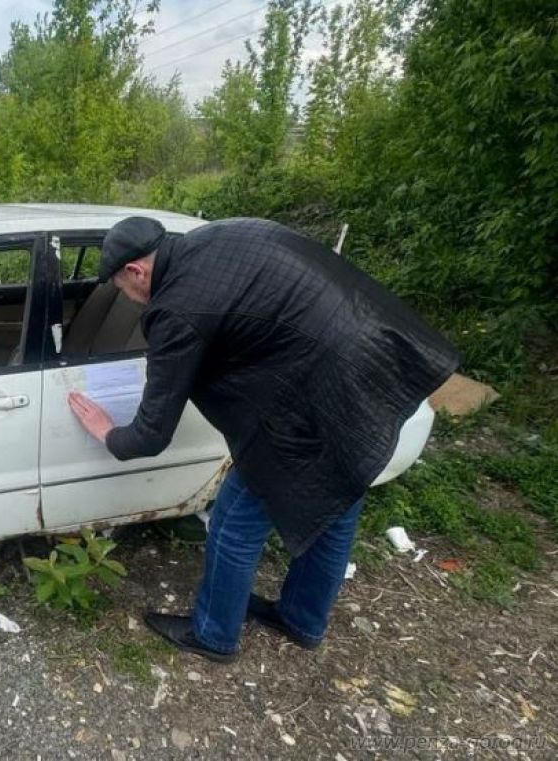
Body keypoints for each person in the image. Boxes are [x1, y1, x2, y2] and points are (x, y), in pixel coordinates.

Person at [67, 216, 459, 662]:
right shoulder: (219, 235)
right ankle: (302, 620)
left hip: (316, 393)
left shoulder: (175, 309)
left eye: (123, 288)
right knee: (337, 502)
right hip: (374, 359)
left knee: (234, 523)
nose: (128, 297)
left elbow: (152, 434)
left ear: (136, 270)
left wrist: (108, 433)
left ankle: (213, 636)